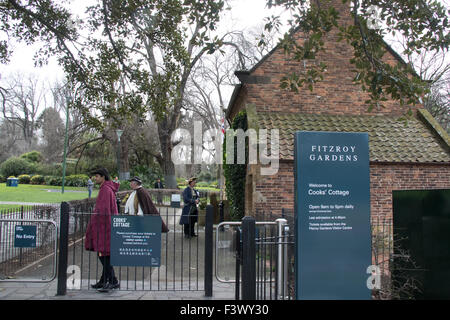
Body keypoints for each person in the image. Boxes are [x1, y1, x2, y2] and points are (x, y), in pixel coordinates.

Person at [84, 168, 120, 292]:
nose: (95, 178)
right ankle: (105, 280)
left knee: (103, 255)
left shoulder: (105, 190)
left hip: (104, 227)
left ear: (103, 177)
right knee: (105, 255)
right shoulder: (107, 188)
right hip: (105, 226)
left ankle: (112, 281)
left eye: (97, 176)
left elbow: (104, 211)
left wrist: (96, 225)